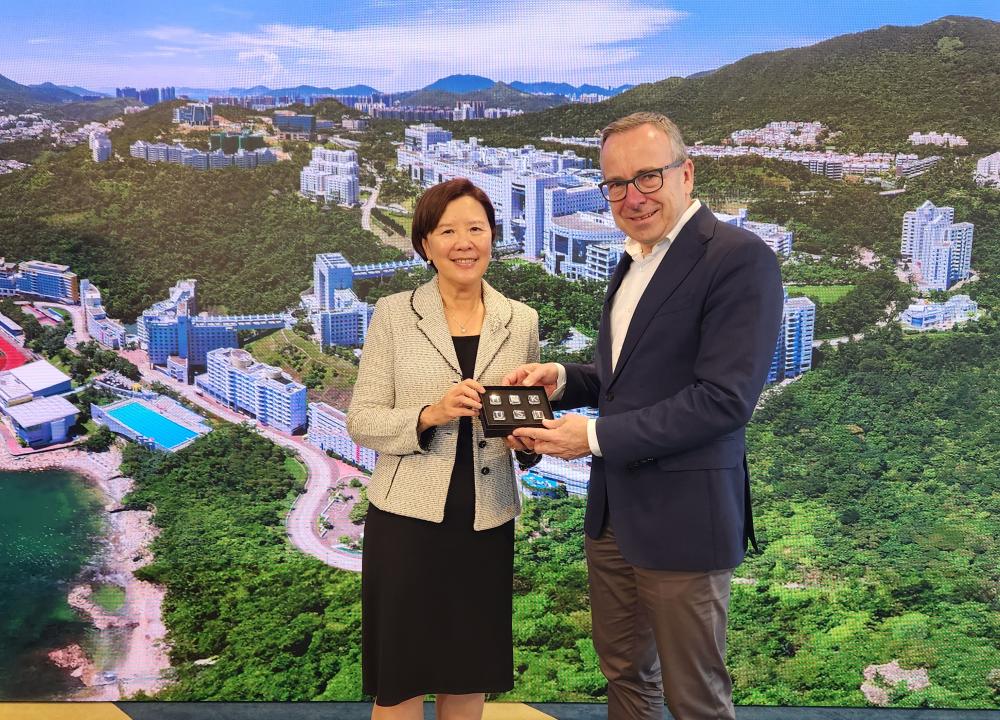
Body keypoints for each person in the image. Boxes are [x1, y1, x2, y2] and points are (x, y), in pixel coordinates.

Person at [503, 112, 784, 720]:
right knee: (626, 677)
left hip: (684, 520)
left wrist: (594, 438)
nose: (632, 196)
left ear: (686, 173)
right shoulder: (631, 261)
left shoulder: (738, 258)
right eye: (616, 184)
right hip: (613, 516)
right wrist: (563, 379)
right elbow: (626, 378)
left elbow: (724, 399)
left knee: (695, 696)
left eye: (648, 177)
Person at [347, 178, 540, 719]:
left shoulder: (520, 319)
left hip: (486, 520)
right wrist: (431, 414)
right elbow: (362, 421)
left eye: (475, 229)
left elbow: (522, 421)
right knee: (401, 680)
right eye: (447, 230)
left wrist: (529, 444)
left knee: (468, 673)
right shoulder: (393, 314)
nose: (464, 242)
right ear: (425, 245)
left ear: (493, 237)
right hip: (406, 520)